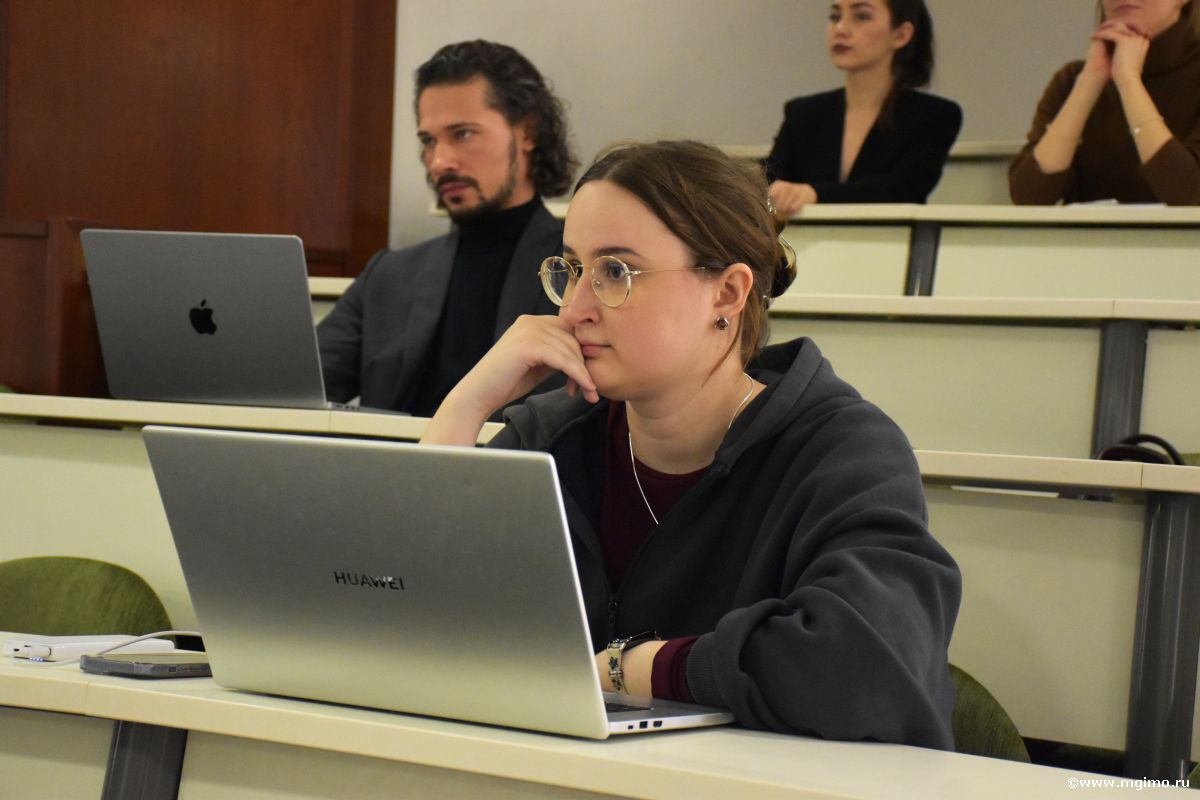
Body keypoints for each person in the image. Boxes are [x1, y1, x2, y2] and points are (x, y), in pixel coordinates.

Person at [422, 140, 961, 748]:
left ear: (727, 293)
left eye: (615, 272)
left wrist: (631, 669)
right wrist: (465, 406)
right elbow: (406, 609)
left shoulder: (844, 450)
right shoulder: (550, 437)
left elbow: (870, 662)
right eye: (572, 270)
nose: (575, 309)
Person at [317, 40, 577, 414]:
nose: (439, 162)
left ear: (528, 134)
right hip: (392, 454)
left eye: (462, 134)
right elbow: (293, 384)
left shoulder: (579, 273)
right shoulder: (388, 275)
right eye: (428, 141)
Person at [765, 0, 962, 216]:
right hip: (800, 237)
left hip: (891, 237)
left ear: (901, 35)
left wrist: (815, 194)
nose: (840, 28)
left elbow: (902, 190)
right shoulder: (802, 113)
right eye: (835, 17)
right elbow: (769, 180)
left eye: (861, 16)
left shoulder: (935, 115)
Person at [1009, 0, 1200, 205]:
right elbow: (1028, 198)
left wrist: (1129, 82)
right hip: (1088, 228)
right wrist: (1089, 82)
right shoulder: (1074, 79)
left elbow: (1191, 197)